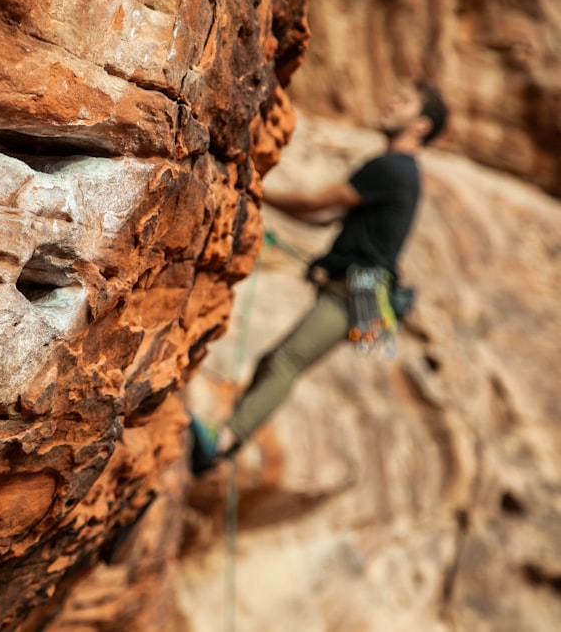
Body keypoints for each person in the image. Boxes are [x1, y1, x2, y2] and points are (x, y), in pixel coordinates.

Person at [191, 81, 449, 473]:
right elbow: (321, 216)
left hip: (353, 293)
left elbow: (316, 202)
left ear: (421, 125)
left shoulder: (392, 169)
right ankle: (223, 441)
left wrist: (255, 188)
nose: (391, 101)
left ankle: (221, 442)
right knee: (274, 361)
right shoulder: (400, 172)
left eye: (405, 101)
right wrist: (261, 197)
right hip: (357, 292)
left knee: (286, 362)